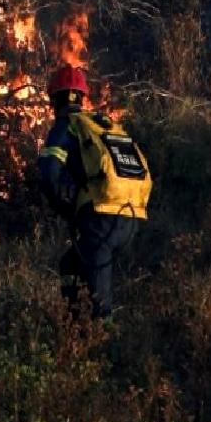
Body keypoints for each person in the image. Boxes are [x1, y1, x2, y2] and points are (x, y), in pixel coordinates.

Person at [37, 65, 152, 318]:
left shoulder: (66, 126)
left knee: (99, 299)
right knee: (70, 264)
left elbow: (48, 173)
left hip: (102, 218)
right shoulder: (102, 125)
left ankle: (102, 345)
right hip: (131, 215)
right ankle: (73, 324)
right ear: (82, 97)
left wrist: (64, 208)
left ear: (54, 98)